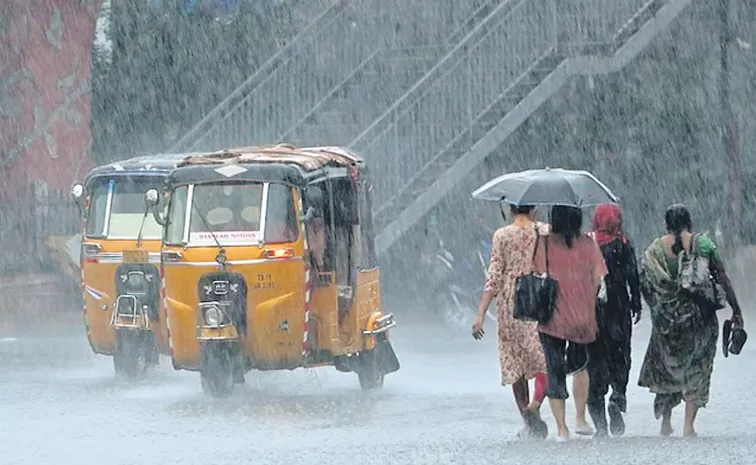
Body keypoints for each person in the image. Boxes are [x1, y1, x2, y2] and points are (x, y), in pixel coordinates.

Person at [638, 204, 744, 437]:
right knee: (698, 367)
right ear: (689, 221)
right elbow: (722, 276)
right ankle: (688, 425)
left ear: (667, 223)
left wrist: (657, 309)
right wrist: (737, 310)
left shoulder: (655, 249)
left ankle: (665, 421)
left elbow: (644, 282)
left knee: (667, 367)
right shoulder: (704, 244)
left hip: (667, 319)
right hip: (700, 317)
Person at [472, 204, 549, 439]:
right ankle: (535, 403)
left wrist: (481, 313)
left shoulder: (501, 235)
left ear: (511, 209)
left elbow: (494, 277)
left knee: (515, 364)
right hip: (537, 300)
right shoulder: (544, 231)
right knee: (544, 360)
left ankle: (527, 419)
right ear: (534, 209)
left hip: (510, 304)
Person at [534, 205, 607, 442]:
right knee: (580, 367)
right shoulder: (588, 244)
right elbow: (598, 279)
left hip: (552, 317)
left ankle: (562, 429)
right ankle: (580, 419)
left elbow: (537, 272)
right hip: (582, 317)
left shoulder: (545, 243)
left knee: (554, 370)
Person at [585, 204, 642, 437]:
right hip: (619, 305)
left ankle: (600, 423)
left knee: (595, 358)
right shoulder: (624, 245)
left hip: (594, 306)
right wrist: (636, 303)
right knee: (621, 353)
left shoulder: (588, 244)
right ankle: (618, 396)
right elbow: (633, 277)